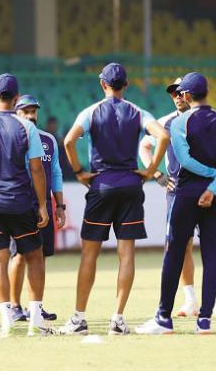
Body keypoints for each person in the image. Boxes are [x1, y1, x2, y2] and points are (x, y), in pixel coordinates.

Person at [61, 63, 169, 335]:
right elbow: (163, 136)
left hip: (102, 184)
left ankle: (78, 318)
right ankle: (118, 319)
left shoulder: (91, 111)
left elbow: (68, 142)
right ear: (126, 85)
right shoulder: (138, 112)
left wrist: (78, 171)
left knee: (90, 253)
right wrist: (149, 170)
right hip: (131, 185)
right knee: (127, 253)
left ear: (102, 84)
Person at [135, 72, 216, 335]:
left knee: (174, 252)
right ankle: (204, 320)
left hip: (185, 192)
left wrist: (205, 180)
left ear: (187, 95)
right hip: (215, 195)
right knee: (212, 252)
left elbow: (184, 160)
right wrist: (215, 185)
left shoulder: (178, 123)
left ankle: (163, 318)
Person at [0, 73, 54, 337]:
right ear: (16, 98)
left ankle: (6, 318)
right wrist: (42, 205)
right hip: (20, 202)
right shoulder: (26, 127)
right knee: (34, 256)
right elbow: (37, 169)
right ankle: (35, 319)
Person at [9, 95, 66, 322]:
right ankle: (14, 306)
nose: (31, 115)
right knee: (19, 255)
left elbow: (55, 173)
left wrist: (59, 205)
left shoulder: (48, 140)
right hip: (20, 205)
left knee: (40, 256)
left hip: (45, 206)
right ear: (16, 112)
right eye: (26, 111)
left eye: (33, 110)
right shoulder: (11, 138)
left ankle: (35, 307)